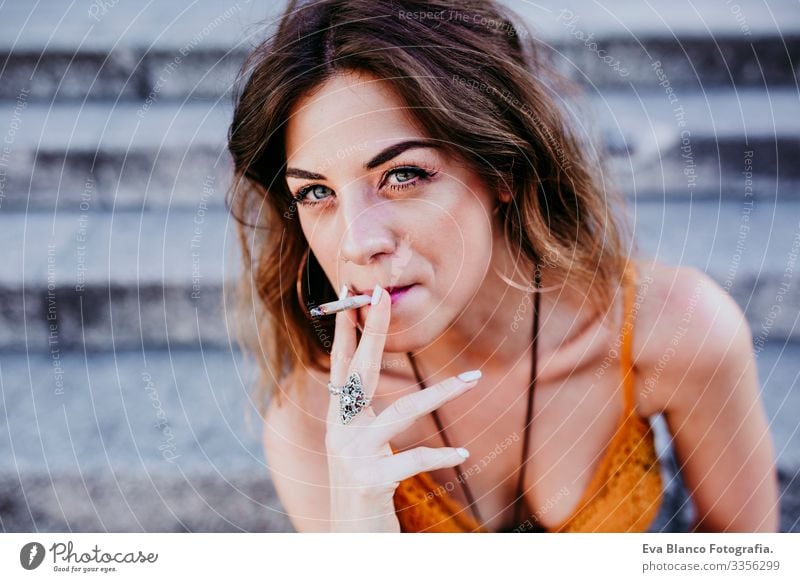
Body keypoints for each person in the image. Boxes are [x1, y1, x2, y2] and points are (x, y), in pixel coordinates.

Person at [226, 0, 779, 533]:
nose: (357, 242)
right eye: (316, 192)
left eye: (403, 175)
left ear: (502, 170)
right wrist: (358, 538)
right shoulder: (318, 419)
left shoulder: (677, 330)